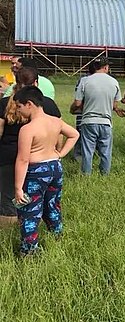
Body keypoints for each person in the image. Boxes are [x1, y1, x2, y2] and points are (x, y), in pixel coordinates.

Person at [12, 86, 79, 256]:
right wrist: (61, 154)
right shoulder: (55, 121)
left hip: (36, 171)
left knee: (30, 210)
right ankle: (57, 235)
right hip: (55, 167)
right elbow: (74, 134)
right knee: (52, 204)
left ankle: (29, 250)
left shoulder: (27, 129)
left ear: (29, 104)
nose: (18, 111)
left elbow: (23, 159)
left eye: (19, 107)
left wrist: (18, 188)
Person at [0, 67, 61, 227]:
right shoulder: (46, 104)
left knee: (9, 197)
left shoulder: (5, 103)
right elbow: (59, 132)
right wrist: (58, 151)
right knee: (38, 197)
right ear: (36, 83)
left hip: (8, 156)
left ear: (16, 81)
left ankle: (10, 231)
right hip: (39, 160)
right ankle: (38, 225)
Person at [70, 57, 125, 175]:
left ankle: (86, 174)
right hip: (106, 121)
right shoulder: (114, 82)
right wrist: (116, 109)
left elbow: (78, 103)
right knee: (105, 151)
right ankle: (104, 174)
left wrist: (72, 109)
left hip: (88, 121)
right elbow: (114, 104)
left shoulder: (85, 81)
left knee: (87, 151)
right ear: (106, 67)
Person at [71, 62, 97, 162]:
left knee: (85, 134)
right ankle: (80, 156)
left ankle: (85, 156)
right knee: (83, 134)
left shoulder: (84, 80)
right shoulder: (84, 80)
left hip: (87, 113)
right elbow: (79, 99)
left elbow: (78, 99)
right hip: (87, 112)